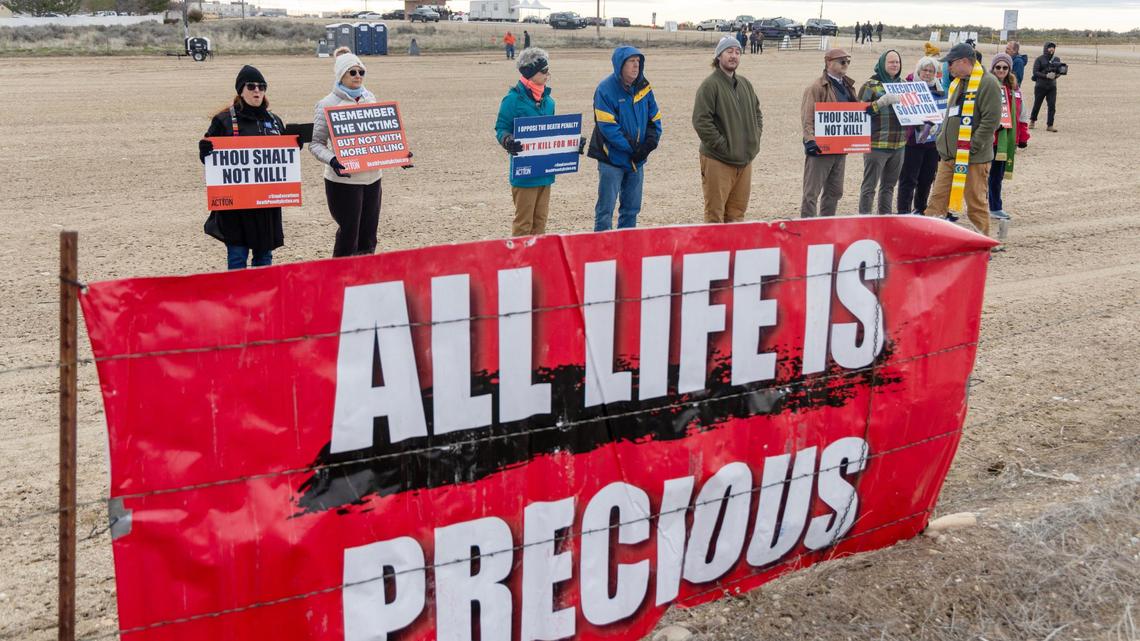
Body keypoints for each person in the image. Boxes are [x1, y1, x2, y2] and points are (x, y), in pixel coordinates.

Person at [198, 65, 289, 270]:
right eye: (251, 86)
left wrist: (293, 146)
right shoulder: (223, 121)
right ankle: (238, 300)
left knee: (264, 258)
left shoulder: (274, 122)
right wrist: (204, 151)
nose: (257, 90)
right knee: (237, 258)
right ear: (241, 90)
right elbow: (210, 161)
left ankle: (262, 299)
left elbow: (283, 160)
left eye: (262, 86)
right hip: (236, 206)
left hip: (266, 205)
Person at [310, 50, 399, 257]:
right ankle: (340, 280)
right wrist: (333, 160)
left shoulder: (371, 99)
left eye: (361, 72)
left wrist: (398, 153)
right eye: (352, 72)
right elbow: (316, 143)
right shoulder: (327, 104)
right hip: (344, 182)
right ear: (341, 75)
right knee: (349, 234)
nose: (358, 75)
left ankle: (365, 280)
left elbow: (382, 136)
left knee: (369, 235)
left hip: (373, 178)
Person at [495, 47, 586, 236]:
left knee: (540, 222)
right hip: (525, 175)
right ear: (530, 73)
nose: (548, 75)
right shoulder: (512, 100)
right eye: (544, 71)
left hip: (545, 174)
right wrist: (507, 140)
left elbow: (552, 134)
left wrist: (572, 142)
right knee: (523, 224)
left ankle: (537, 262)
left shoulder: (549, 102)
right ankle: (520, 263)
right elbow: (501, 128)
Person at [925, 43, 1002, 240]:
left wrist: (970, 147)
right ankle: (928, 238)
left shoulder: (988, 83)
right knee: (937, 199)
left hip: (974, 158)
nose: (948, 67)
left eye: (951, 63)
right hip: (949, 156)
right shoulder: (957, 83)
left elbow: (990, 122)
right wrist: (942, 140)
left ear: (964, 62)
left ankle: (983, 243)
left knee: (975, 202)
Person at [587, 45, 662, 231]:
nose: (636, 66)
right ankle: (603, 253)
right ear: (620, 64)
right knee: (605, 211)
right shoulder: (605, 89)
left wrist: (650, 143)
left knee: (631, 209)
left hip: (637, 162)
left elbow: (655, 118)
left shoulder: (644, 87)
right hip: (612, 160)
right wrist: (634, 148)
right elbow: (608, 126)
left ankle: (625, 251)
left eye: (638, 62)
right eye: (631, 62)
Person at [692, 36, 763, 223]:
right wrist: (723, 146)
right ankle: (713, 252)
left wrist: (755, 139)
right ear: (719, 56)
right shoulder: (710, 85)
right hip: (718, 160)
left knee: (737, 214)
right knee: (715, 213)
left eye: (737, 52)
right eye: (729, 52)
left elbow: (757, 113)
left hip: (744, 161)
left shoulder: (745, 84)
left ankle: (733, 252)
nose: (734, 56)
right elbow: (701, 121)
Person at [800, 48, 858, 218]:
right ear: (829, 63)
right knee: (811, 192)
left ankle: (826, 227)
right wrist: (809, 139)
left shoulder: (848, 86)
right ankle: (808, 229)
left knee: (834, 191)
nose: (845, 65)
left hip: (841, 148)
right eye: (842, 61)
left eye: (847, 61)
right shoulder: (816, 87)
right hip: (821, 147)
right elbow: (807, 116)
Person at [857, 50, 906, 215]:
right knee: (869, 186)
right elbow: (859, 113)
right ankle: (864, 219)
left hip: (898, 144)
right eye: (891, 62)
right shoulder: (870, 85)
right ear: (883, 64)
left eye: (897, 62)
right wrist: (880, 103)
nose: (895, 65)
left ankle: (885, 219)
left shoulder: (904, 84)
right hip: (876, 144)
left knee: (889, 186)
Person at [896, 56, 944, 215]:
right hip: (912, 142)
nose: (928, 73)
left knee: (927, 178)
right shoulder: (908, 86)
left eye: (932, 71)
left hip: (932, 143)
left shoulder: (940, 89)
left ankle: (920, 209)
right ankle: (903, 211)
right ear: (919, 70)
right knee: (908, 179)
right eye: (925, 70)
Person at [987, 53, 1030, 222]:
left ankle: (995, 207)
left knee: (997, 176)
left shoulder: (1015, 90)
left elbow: (1021, 115)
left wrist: (1023, 137)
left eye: (1005, 68)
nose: (1001, 70)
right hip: (988, 138)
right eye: (998, 67)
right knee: (979, 176)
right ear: (993, 68)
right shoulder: (987, 85)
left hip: (1004, 141)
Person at [1030, 42, 1060, 132]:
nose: (1051, 49)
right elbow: (1035, 72)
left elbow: (1059, 70)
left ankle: (1050, 125)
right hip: (1040, 86)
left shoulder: (1057, 59)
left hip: (1052, 86)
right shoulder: (1039, 59)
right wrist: (1046, 76)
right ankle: (1032, 121)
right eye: (1049, 47)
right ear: (1045, 48)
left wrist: (1057, 75)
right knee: (1037, 104)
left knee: (1052, 106)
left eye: (1053, 47)